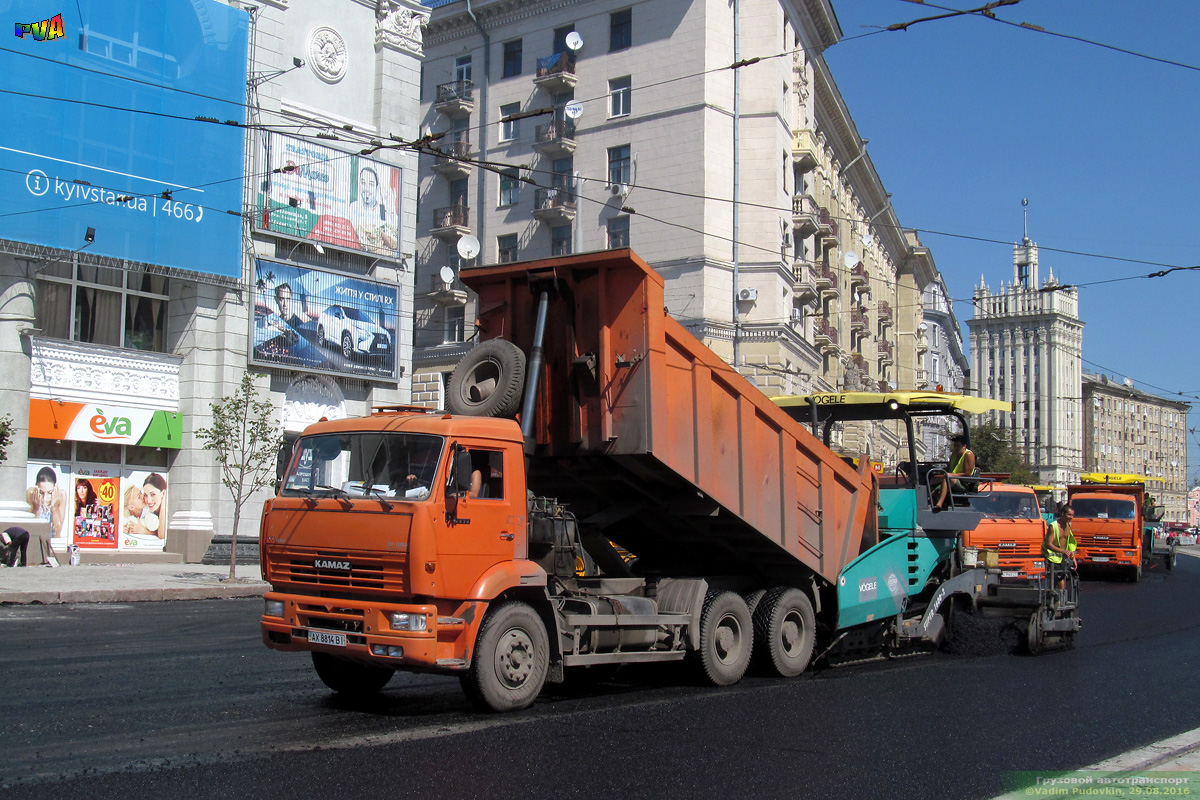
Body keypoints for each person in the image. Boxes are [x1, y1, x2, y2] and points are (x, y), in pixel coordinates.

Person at [348, 166, 398, 252]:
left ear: (377, 188)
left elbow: (395, 243)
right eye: (363, 183)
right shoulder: (353, 207)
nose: (366, 188)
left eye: (371, 184)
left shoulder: (384, 213)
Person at [934, 433, 976, 510]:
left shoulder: (968, 454)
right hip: (952, 478)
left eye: (958, 446)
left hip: (963, 483)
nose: (956, 448)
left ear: (964, 446)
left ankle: (939, 503)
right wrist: (939, 473)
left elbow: (968, 474)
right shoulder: (954, 454)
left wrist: (951, 475)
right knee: (934, 477)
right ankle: (929, 497)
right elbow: (948, 468)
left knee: (948, 477)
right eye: (955, 445)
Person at [1043, 501, 1078, 589]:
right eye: (1069, 515)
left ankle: (1052, 598)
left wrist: (1073, 557)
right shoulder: (1053, 526)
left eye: (1073, 515)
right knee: (1060, 579)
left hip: (1063, 557)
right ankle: (1059, 600)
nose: (1071, 517)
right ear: (1063, 513)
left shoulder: (1069, 525)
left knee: (1057, 580)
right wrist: (1062, 551)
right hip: (1052, 557)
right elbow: (1048, 544)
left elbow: (1069, 542)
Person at [26, 466, 69, 537]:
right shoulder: (31, 493)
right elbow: (30, 528)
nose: (45, 498)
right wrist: (36, 508)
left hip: (53, 539)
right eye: (41, 492)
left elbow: (57, 530)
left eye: (49, 492)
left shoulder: (61, 494)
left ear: (55, 488)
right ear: (36, 486)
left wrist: (54, 508)